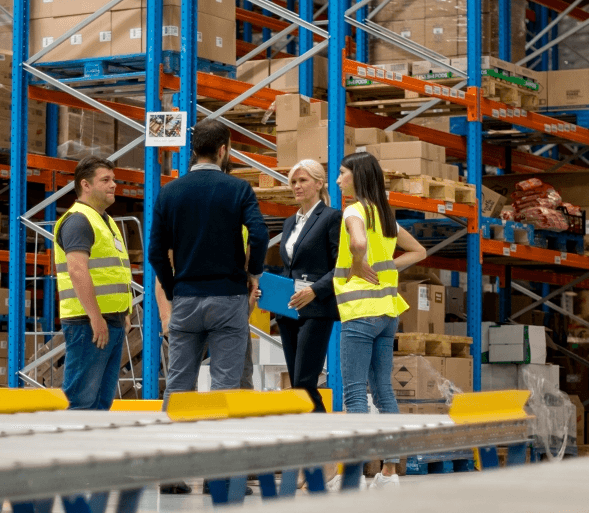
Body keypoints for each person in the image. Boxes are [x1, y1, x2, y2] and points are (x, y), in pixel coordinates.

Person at [150, 118, 268, 406]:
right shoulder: (238, 189)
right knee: (225, 386)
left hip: (186, 298)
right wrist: (254, 273)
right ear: (223, 150)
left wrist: (172, 287)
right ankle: (219, 448)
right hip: (228, 299)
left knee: (178, 385)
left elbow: (155, 251)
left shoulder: (169, 192)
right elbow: (260, 235)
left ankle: (171, 447)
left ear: (193, 150)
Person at [333, 152, 427, 488]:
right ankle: (389, 472)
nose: (339, 179)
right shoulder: (386, 217)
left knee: (356, 393)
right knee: (384, 391)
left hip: (360, 313)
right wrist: (388, 269)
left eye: (343, 173)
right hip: (387, 313)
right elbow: (419, 252)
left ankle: (354, 474)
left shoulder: (354, 211)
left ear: (357, 176)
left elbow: (357, 240)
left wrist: (359, 263)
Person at [53, 156, 133, 410]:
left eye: (114, 179)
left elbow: (112, 272)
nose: (114, 185)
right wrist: (96, 317)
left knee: (101, 402)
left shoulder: (104, 220)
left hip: (111, 320)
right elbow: (77, 270)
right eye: (106, 180)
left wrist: (123, 312)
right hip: (88, 323)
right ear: (85, 185)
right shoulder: (78, 220)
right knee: (81, 400)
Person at [274, 159, 342, 412]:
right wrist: (268, 290)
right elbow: (290, 268)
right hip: (289, 309)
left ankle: (321, 438)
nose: (296, 186)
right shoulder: (290, 222)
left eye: (302, 180)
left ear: (319, 183)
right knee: (297, 383)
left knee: (305, 382)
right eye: (293, 181)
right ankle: (312, 439)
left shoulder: (331, 218)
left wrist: (314, 290)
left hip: (316, 309)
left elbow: (341, 267)